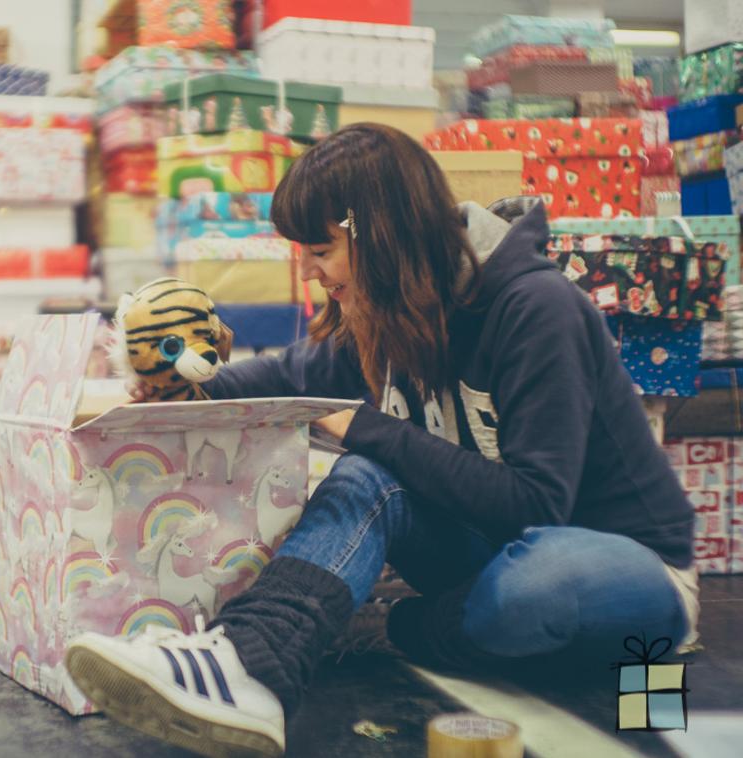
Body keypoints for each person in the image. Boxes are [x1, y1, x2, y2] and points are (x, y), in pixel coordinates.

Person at [65, 123, 697, 758]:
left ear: (382, 236)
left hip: (629, 570)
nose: (309, 271)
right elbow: (283, 379)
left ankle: (399, 626)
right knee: (372, 482)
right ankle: (247, 666)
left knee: (536, 589)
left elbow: (537, 507)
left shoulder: (537, 308)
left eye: (320, 249)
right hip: (493, 562)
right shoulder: (390, 313)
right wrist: (174, 390)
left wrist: (360, 425)